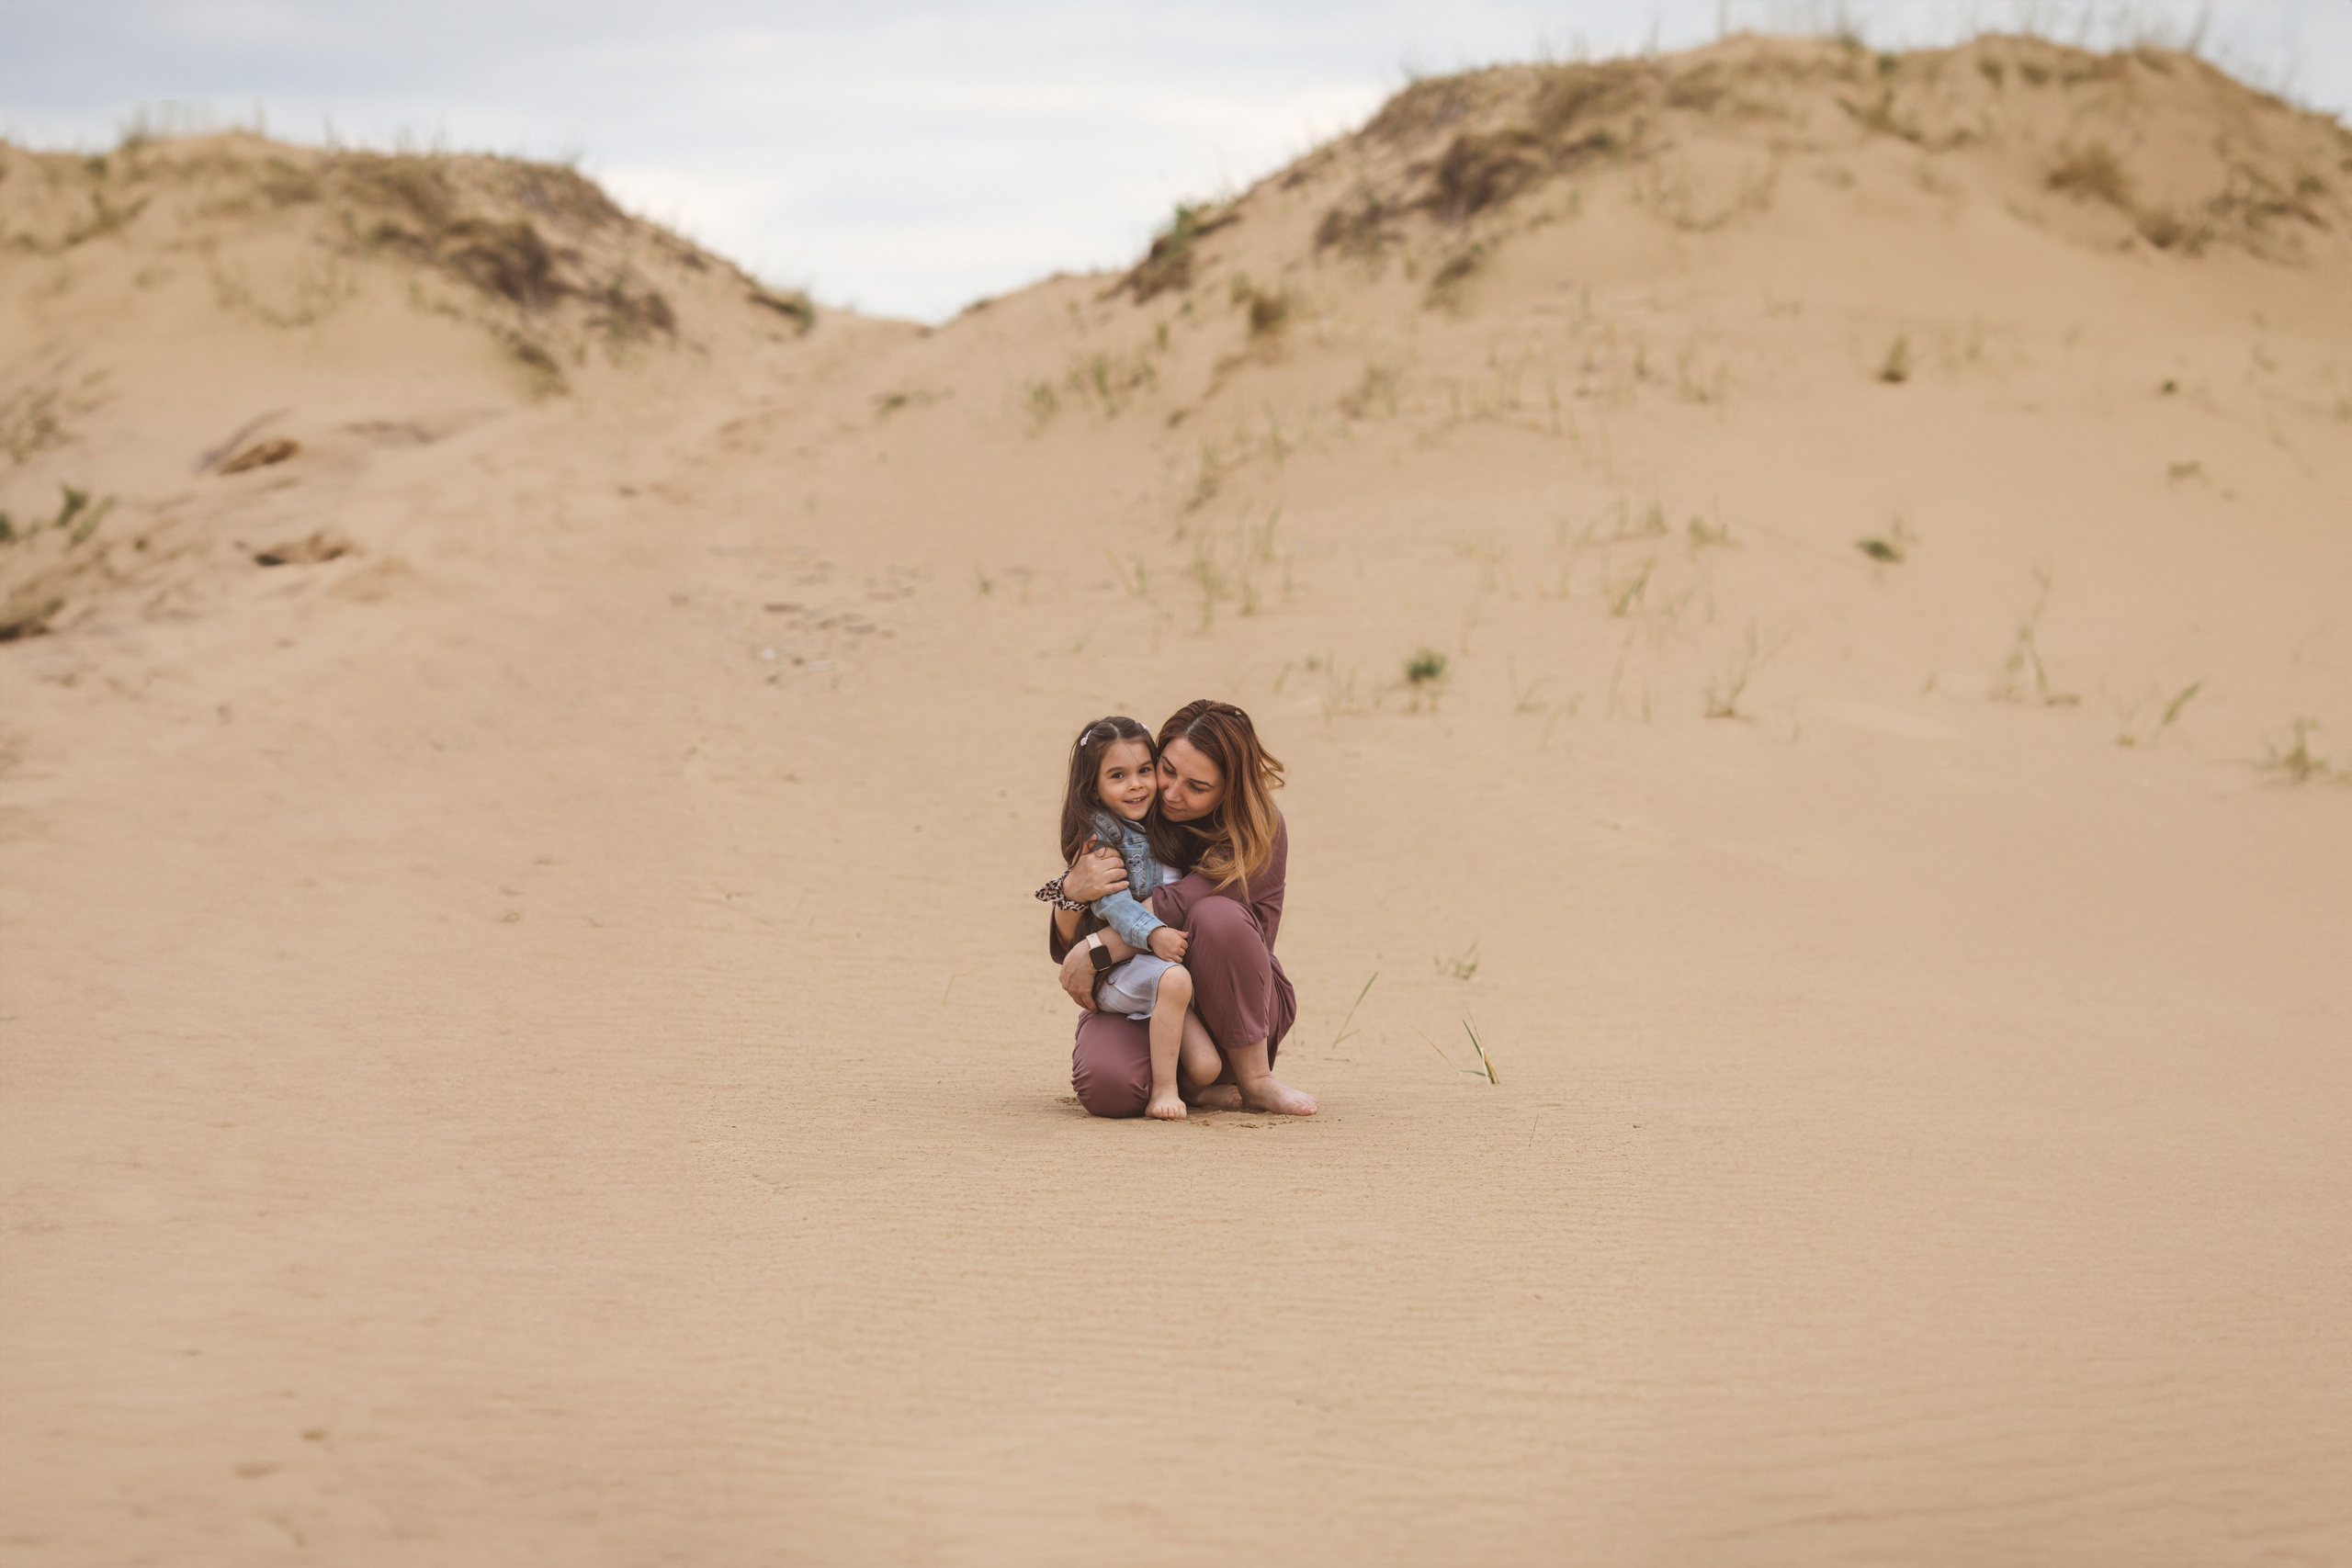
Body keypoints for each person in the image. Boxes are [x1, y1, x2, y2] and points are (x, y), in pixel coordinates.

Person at [1039, 700, 1316, 1118]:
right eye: (1166, 769)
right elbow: (1069, 951)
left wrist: (1098, 948)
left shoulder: (1258, 832)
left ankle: (1256, 1080)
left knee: (1215, 915)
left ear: (1230, 789)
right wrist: (1073, 890)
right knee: (1108, 1089)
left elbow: (1182, 906)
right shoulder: (1137, 810)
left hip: (1230, 1004)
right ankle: (1191, 1088)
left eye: (1197, 787)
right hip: (1146, 991)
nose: (1170, 792)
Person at [1035, 716, 1219, 1120]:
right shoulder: (1103, 837)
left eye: (1144, 771)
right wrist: (1153, 934)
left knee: (1208, 1067)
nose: (1136, 784)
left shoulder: (1162, 825)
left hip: (1155, 965)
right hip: (1125, 972)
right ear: (1094, 787)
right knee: (1176, 980)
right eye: (1118, 775)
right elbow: (1112, 904)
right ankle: (1164, 1090)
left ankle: (1196, 1090)